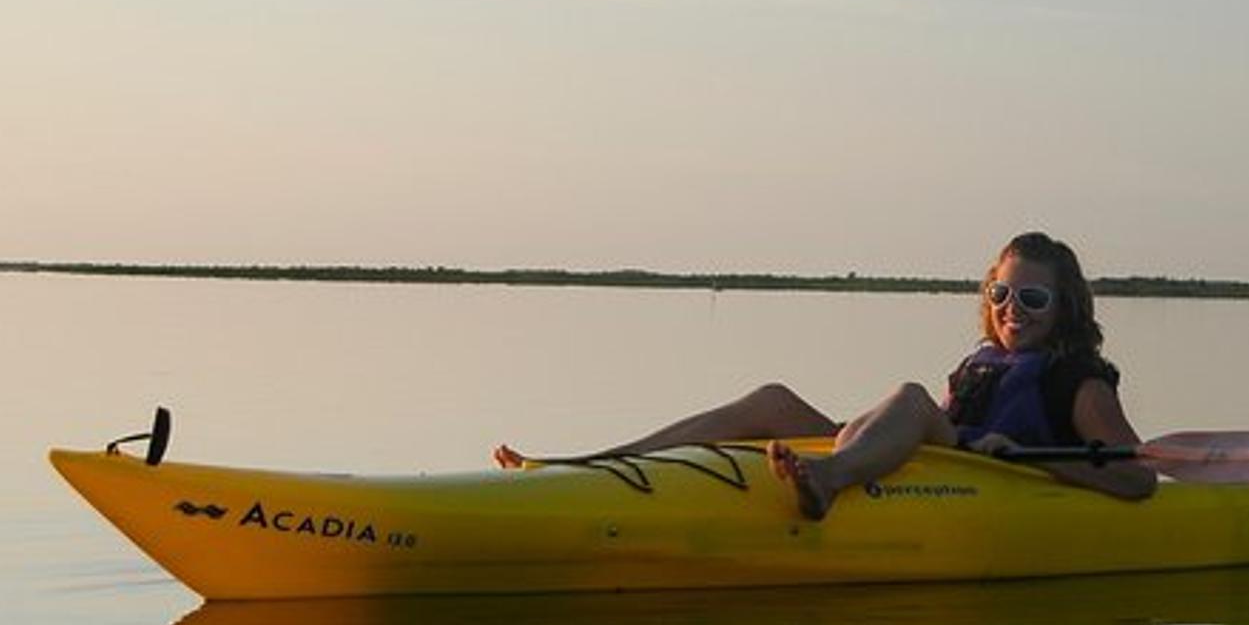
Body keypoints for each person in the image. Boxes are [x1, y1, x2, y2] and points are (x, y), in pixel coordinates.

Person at [494, 232, 1155, 519]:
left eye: (1033, 300)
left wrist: (1030, 460)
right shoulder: (985, 361)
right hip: (945, 461)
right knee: (774, 399)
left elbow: (1136, 475)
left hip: (988, 473)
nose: (1013, 311)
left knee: (913, 397)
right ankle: (588, 468)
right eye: (1002, 295)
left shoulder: (1078, 378)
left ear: (1063, 307)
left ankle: (827, 481)